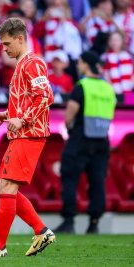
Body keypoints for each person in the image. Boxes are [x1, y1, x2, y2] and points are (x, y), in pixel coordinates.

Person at [0, 17, 55, 257]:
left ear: (20, 38)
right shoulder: (22, 64)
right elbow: (31, 97)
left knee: (7, 185)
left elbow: (46, 96)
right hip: (22, 132)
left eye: (7, 43)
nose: (4, 48)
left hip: (30, 133)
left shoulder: (32, 62)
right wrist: (10, 113)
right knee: (2, 185)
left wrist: (24, 119)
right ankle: (41, 231)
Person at [55, 51, 116, 234]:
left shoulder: (82, 86)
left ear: (87, 65)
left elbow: (69, 115)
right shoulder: (108, 88)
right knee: (97, 182)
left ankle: (69, 221)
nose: (78, 65)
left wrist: (69, 128)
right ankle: (94, 223)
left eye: (80, 63)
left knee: (70, 179)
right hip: (102, 140)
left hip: (80, 137)